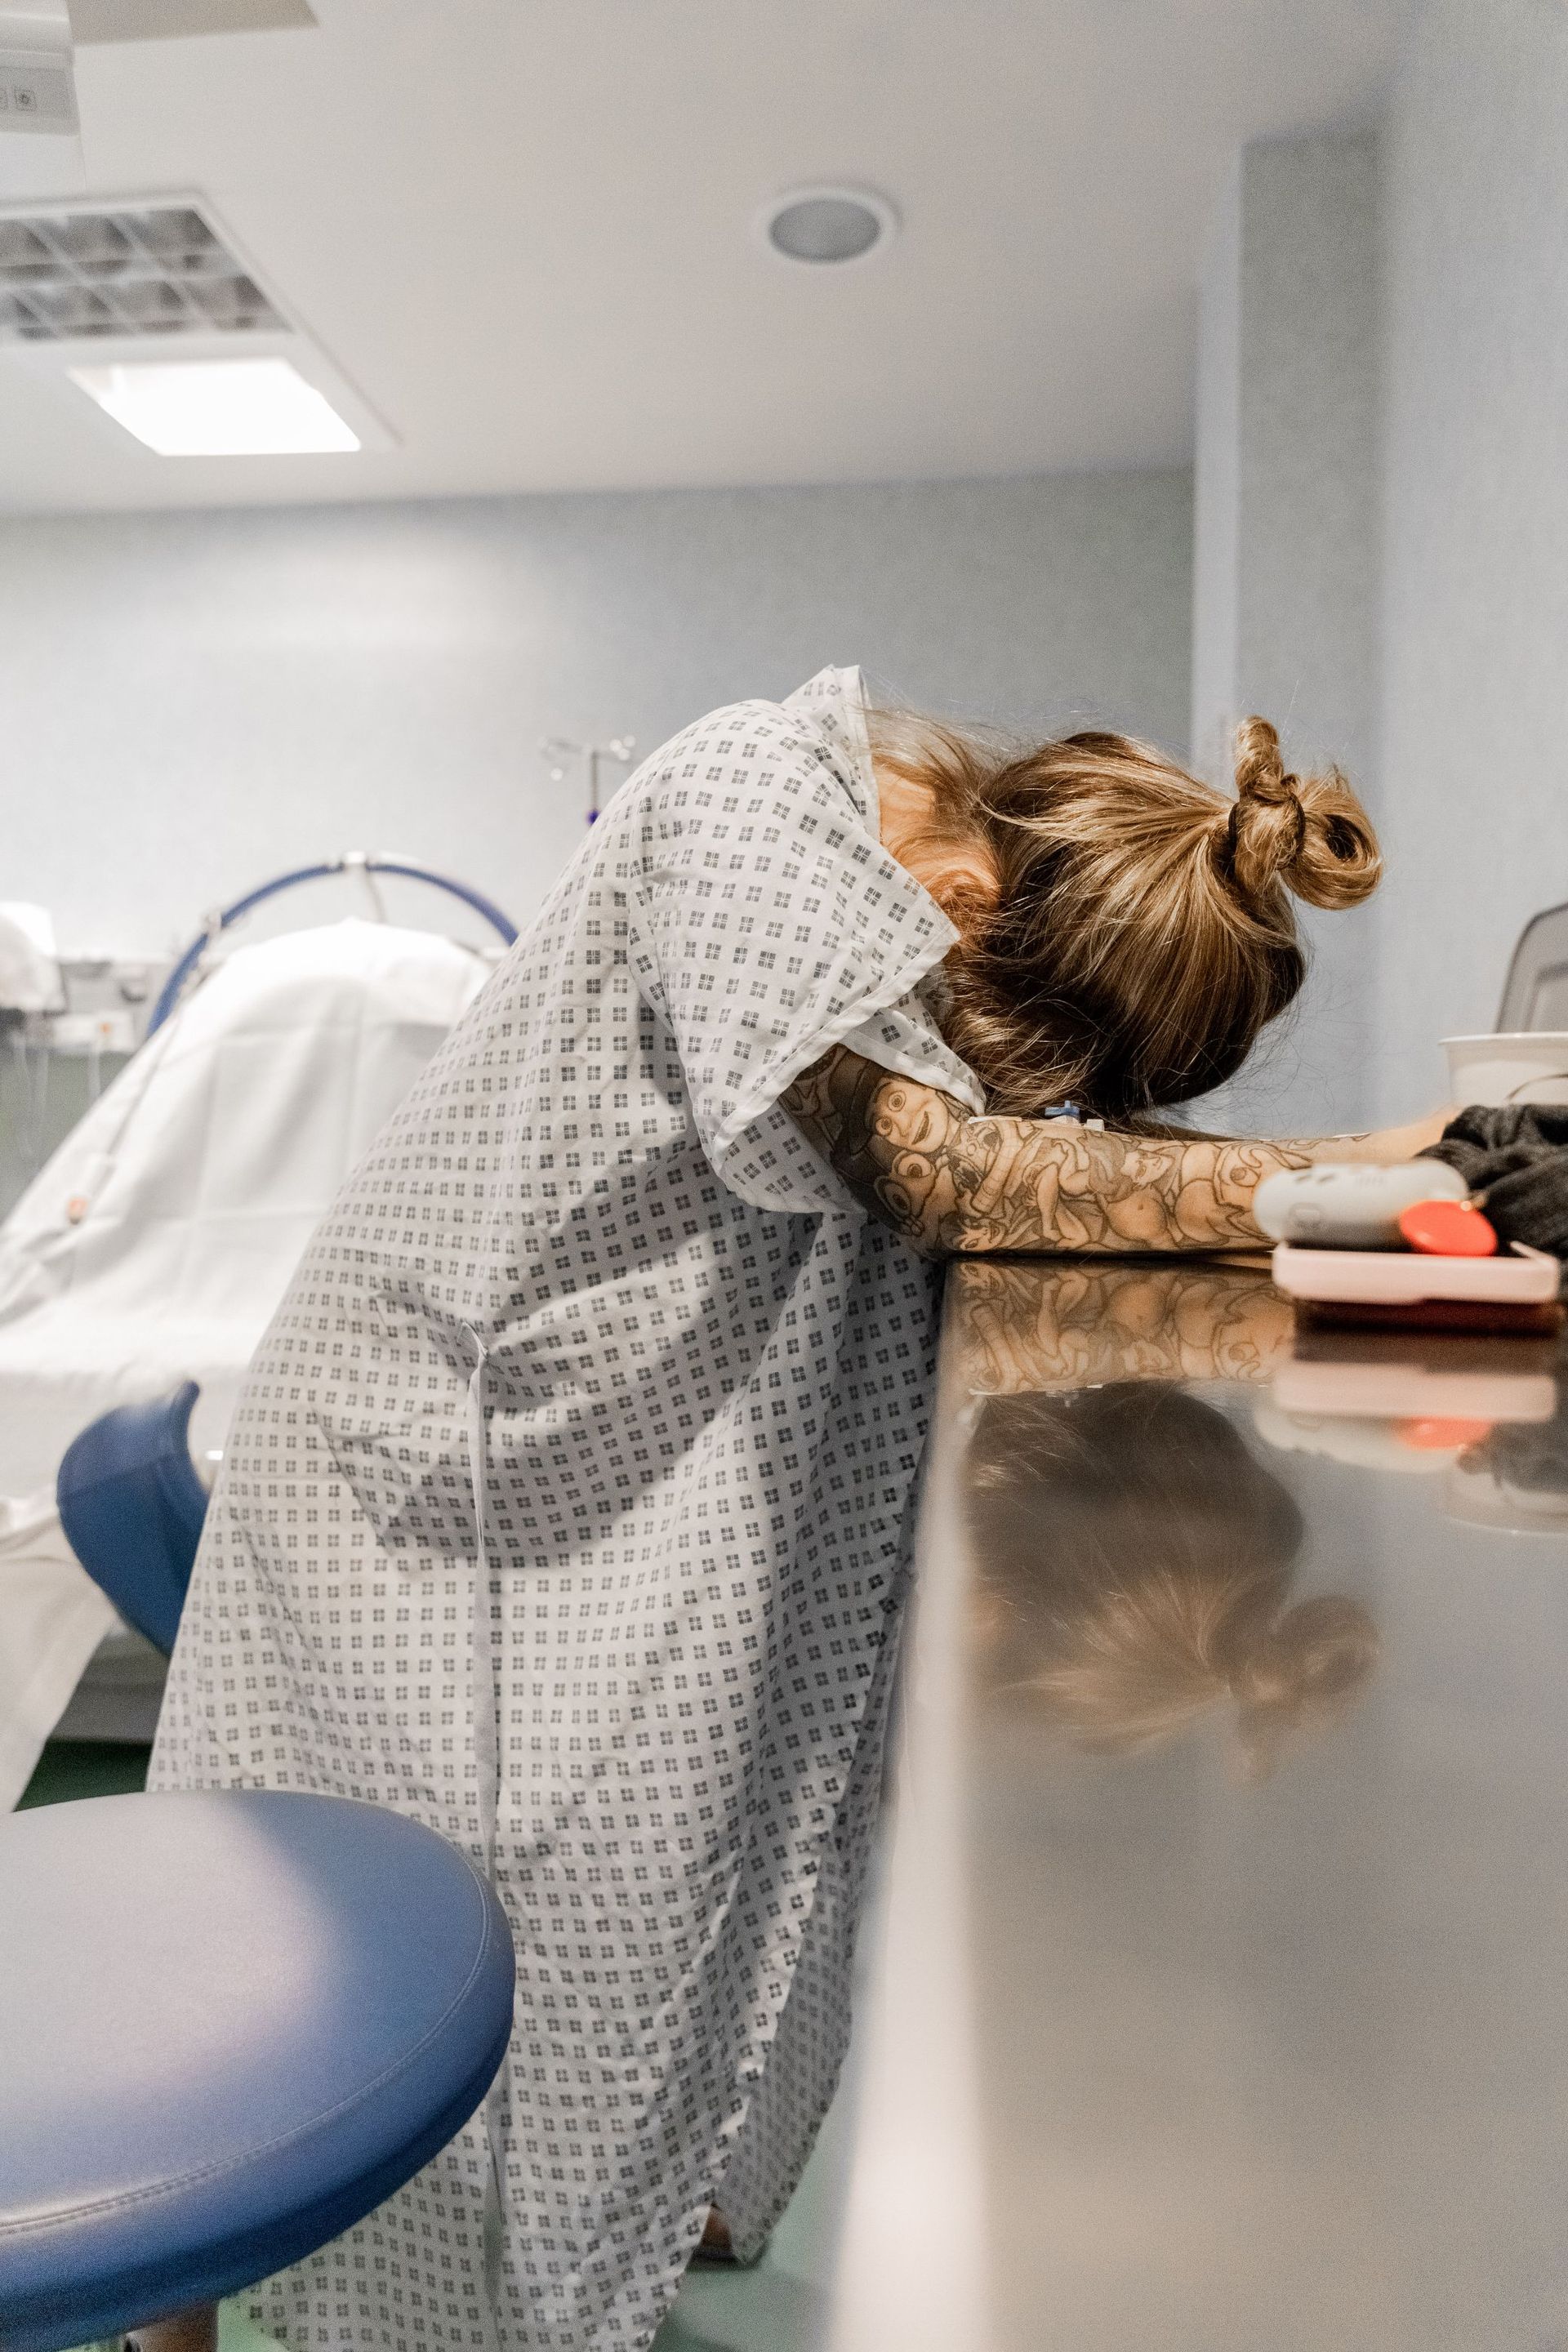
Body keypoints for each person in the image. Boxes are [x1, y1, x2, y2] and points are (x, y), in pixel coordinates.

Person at [151, 667, 1438, 2352]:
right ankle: (194, 2297)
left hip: (617, 1435)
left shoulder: (891, 897)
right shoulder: (757, 788)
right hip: (431, 1461)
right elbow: (928, 1166)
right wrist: (1370, 1171)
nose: (1001, 1100)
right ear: (964, 904)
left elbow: (994, 1176)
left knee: (631, 1873)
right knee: (328, 1919)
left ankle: (568, 2221)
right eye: (1000, 1058)